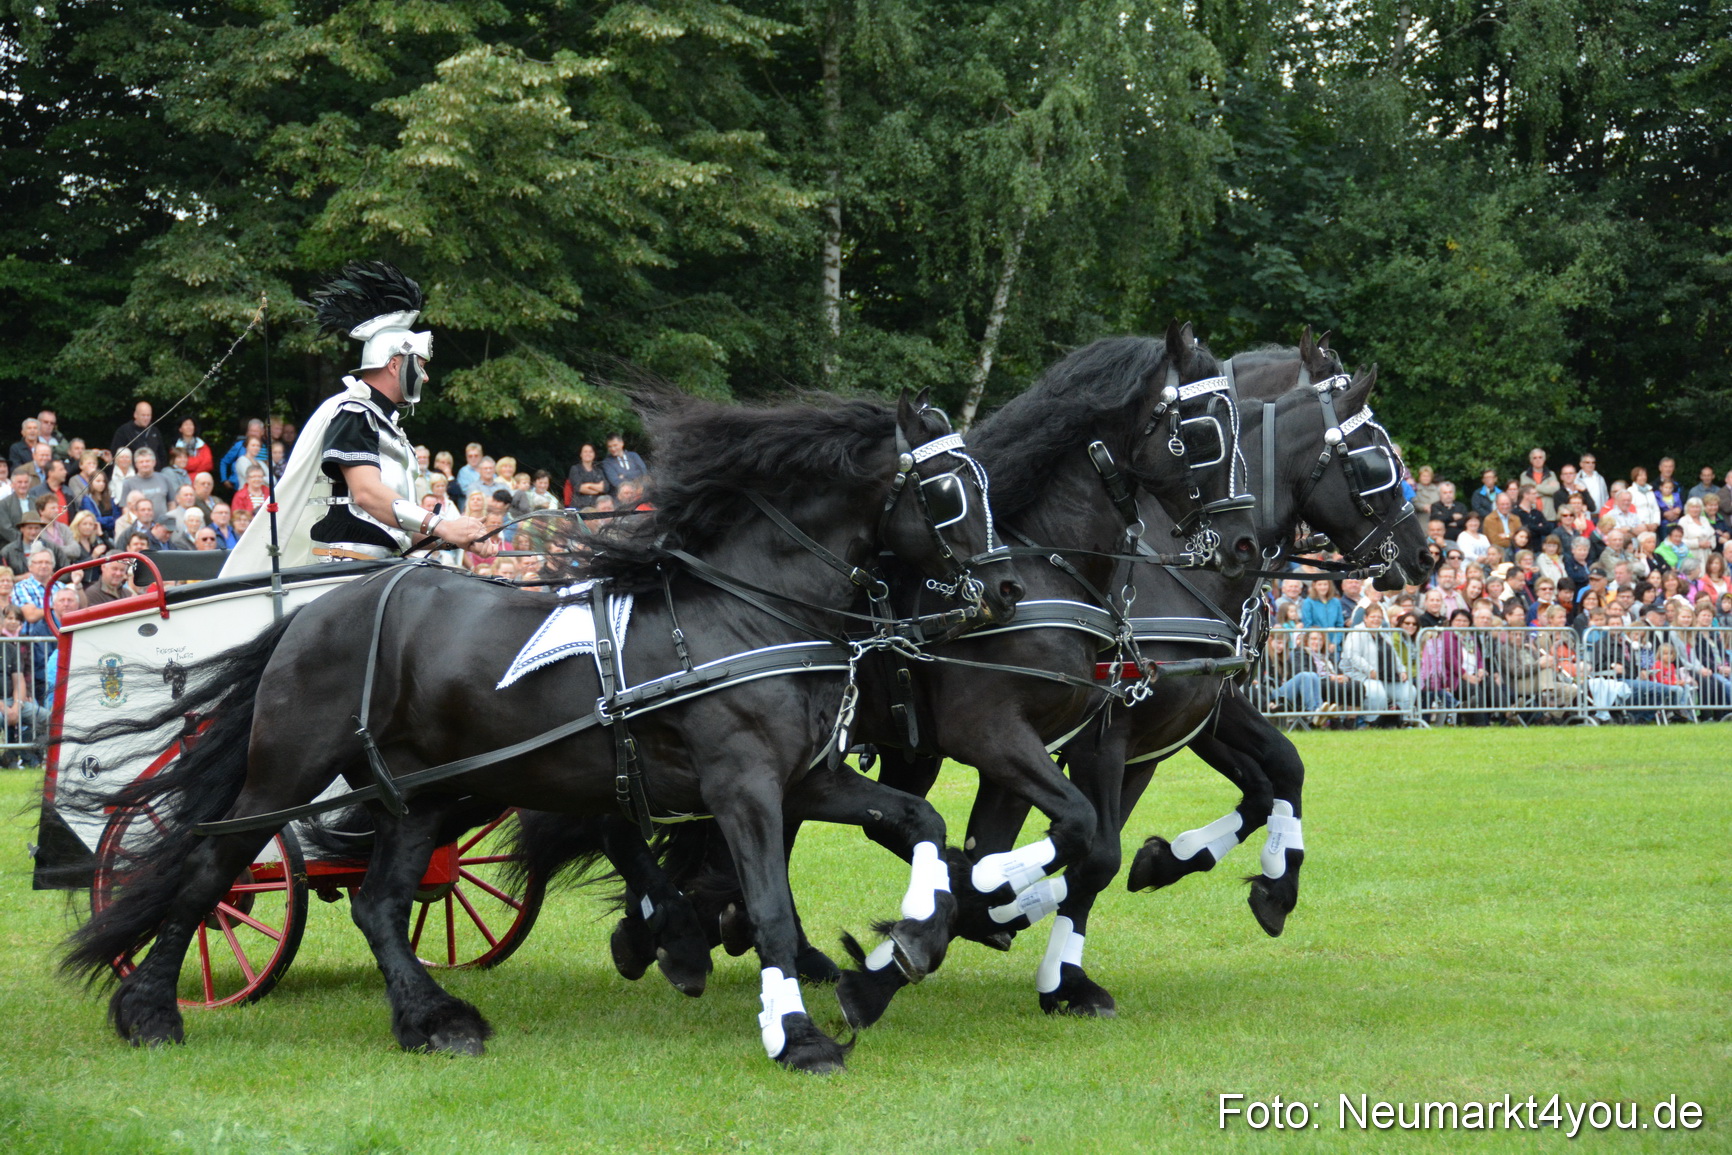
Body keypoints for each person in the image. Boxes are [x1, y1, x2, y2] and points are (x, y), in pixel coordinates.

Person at [222, 261, 494, 575]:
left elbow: (401, 526)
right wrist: (442, 526)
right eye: (420, 365)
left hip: (383, 568)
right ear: (395, 365)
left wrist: (465, 535)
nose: (426, 377)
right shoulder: (354, 414)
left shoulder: (387, 427)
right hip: (349, 572)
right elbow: (366, 494)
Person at [1340, 603, 1416, 725]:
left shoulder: (1384, 634)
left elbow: (1394, 655)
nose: (1376, 620)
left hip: (1386, 676)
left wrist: (1402, 670)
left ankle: (1404, 721)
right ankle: (1370, 722)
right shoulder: (1356, 633)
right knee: (1377, 692)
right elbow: (1353, 657)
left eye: (1379, 617)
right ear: (1365, 618)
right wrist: (1369, 671)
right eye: (1373, 617)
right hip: (1361, 676)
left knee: (1409, 690)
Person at [566, 443, 608, 507]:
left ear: (594, 454)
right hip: (579, 506)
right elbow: (579, 488)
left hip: (596, 507)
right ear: (581, 454)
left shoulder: (599, 471)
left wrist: (588, 485)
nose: (588, 454)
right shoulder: (575, 469)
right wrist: (597, 489)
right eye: (585, 452)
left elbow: (605, 488)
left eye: (590, 452)